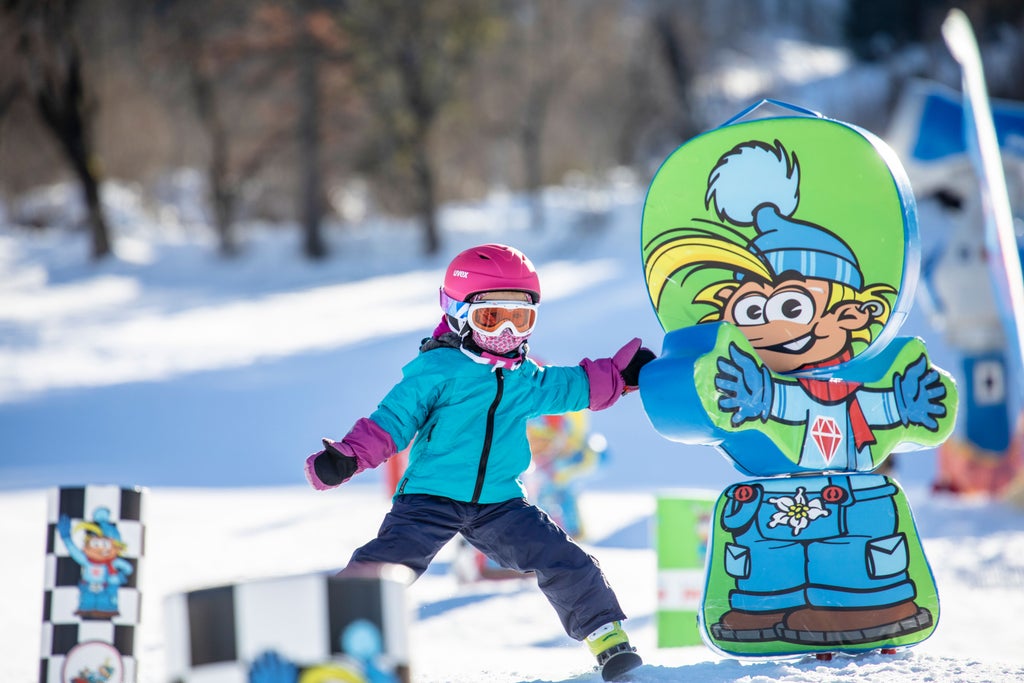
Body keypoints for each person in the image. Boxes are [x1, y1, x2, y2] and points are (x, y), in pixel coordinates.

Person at [305, 243, 654, 680]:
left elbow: (572, 385)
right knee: (387, 566)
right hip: (429, 498)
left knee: (564, 558)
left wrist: (620, 377)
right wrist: (347, 458)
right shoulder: (437, 371)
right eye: (491, 317)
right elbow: (392, 421)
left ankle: (607, 639)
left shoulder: (524, 377)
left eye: (520, 318)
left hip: (499, 503)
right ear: (456, 313)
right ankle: (329, 636)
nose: (507, 331)